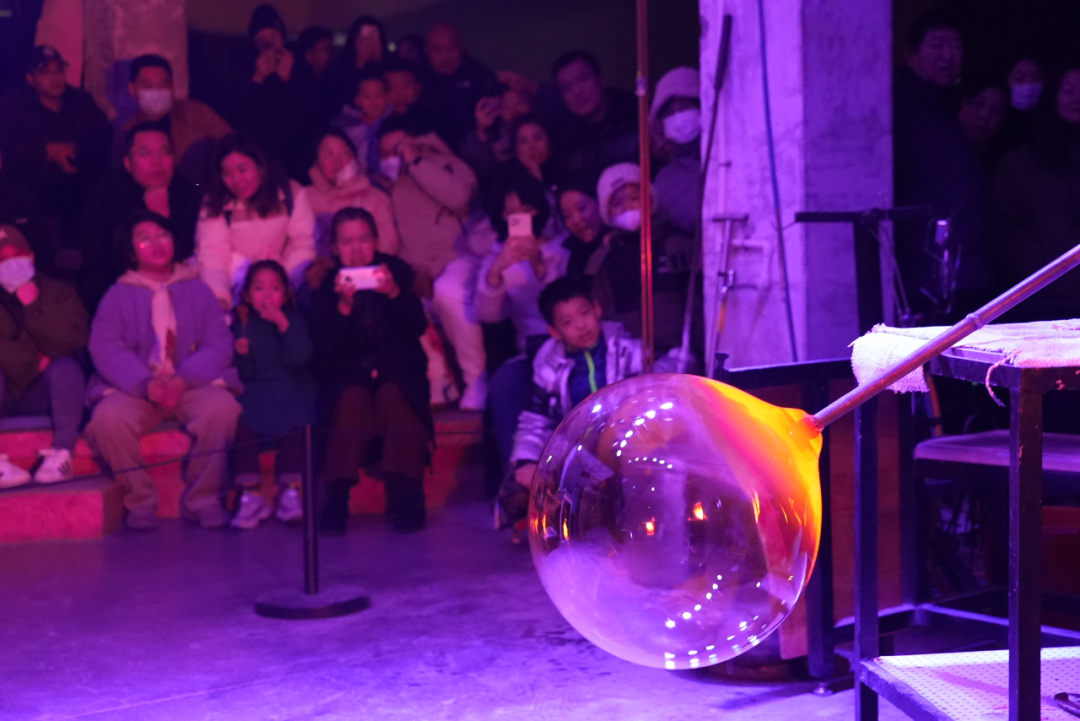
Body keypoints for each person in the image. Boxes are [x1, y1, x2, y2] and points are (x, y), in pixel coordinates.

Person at [85, 211, 241, 530]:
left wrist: (183, 380)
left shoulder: (197, 290)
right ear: (131, 251)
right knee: (108, 419)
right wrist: (145, 384)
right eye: (144, 239)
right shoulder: (117, 295)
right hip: (137, 389)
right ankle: (140, 500)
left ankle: (204, 499)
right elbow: (106, 349)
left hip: (189, 384)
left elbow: (218, 344)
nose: (156, 243)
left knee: (222, 408)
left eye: (162, 235)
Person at [309, 208, 430, 535]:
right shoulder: (325, 284)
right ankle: (336, 498)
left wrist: (393, 294)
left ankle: (408, 494)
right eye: (347, 242)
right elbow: (323, 347)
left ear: (375, 241)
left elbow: (416, 327)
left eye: (363, 239)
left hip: (397, 370)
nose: (356, 249)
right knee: (351, 399)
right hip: (348, 374)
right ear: (335, 247)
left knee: (396, 395)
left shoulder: (397, 273)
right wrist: (343, 308)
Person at [497, 275, 643, 530]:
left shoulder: (628, 350)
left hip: (627, 446)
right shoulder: (549, 367)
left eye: (584, 313)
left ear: (597, 309)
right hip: (577, 452)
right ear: (554, 331)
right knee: (517, 493)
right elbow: (536, 418)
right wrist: (525, 461)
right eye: (567, 322)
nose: (581, 325)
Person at [375, 115, 486, 409]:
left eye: (397, 148)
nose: (392, 157)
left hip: (456, 256)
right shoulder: (384, 185)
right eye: (385, 152)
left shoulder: (446, 164)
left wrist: (416, 162)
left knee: (449, 293)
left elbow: (458, 197)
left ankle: (477, 379)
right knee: (400, 301)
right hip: (417, 268)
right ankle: (441, 381)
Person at [893, 12, 988, 322]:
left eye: (955, 45)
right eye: (937, 45)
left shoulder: (949, 107)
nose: (948, 55)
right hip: (924, 275)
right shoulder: (898, 107)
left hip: (962, 271)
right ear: (911, 54)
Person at [477, 166, 569, 474]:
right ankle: (516, 481)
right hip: (531, 348)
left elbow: (566, 301)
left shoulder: (561, 248)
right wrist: (497, 269)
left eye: (526, 210)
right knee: (506, 382)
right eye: (510, 213)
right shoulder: (497, 257)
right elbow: (488, 314)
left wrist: (540, 265)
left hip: (569, 345)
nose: (519, 218)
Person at [229, 260, 318, 529]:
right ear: (247, 295)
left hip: (293, 386)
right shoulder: (243, 322)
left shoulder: (295, 318)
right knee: (242, 421)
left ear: (286, 293)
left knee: (297, 419)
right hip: (258, 390)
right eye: (259, 288)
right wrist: (242, 355)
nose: (267, 295)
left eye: (275, 288)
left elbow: (300, 358)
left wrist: (281, 322)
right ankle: (250, 494)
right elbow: (246, 373)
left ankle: (290, 491)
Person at [80, 122, 201, 314]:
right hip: (117, 285)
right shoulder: (104, 192)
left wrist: (163, 218)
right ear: (128, 163)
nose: (157, 162)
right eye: (145, 154)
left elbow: (189, 256)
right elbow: (98, 256)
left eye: (165, 153)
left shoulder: (189, 194)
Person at [0, 225, 87, 487]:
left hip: (42, 393)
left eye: (16, 254)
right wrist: (35, 360)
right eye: (1, 258)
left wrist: (33, 305)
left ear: (31, 256)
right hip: (5, 389)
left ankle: (62, 455)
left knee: (66, 368)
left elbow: (72, 340)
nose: (10, 263)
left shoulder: (57, 292)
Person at [992, 67, 1080, 321]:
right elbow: (1007, 229)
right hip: (1044, 300)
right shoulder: (1024, 160)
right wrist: (1048, 276)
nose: (1077, 99)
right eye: (1068, 91)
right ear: (1052, 95)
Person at [0, 46, 111, 236]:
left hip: (77, 184)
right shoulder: (13, 104)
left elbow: (103, 135)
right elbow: (8, 144)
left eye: (58, 70)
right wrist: (47, 150)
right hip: (32, 188)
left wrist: (74, 150)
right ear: (30, 78)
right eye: (46, 73)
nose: (55, 78)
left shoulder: (80, 100)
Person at [196, 133, 315, 308]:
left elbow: (304, 243)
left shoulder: (291, 194)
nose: (237, 180)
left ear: (260, 166)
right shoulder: (215, 203)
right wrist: (220, 297)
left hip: (286, 283)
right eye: (227, 173)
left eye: (242, 170)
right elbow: (212, 255)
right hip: (237, 288)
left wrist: (276, 283)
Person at [591, 162, 693, 356]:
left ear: (650, 199)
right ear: (607, 213)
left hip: (678, 351)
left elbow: (696, 298)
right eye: (617, 204)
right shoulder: (606, 255)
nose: (627, 207)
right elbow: (603, 307)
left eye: (634, 198)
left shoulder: (677, 242)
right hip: (631, 354)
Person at [113, 54, 231, 187]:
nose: (156, 91)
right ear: (133, 90)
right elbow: (119, 183)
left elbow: (233, 145)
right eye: (148, 86)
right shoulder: (125, 134)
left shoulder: (197, 113)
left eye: (163, 85)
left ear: (172, 86)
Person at [236, 4, 322, 181]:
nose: (269, 44)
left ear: (282, 37)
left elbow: (313, 112)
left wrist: (288, 79)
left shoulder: (300, 65)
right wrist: (258, 78)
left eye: (273, 37)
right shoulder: (245, 68)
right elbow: (240, 116)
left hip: (298, 155)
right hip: (260, 155)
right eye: (262, 39)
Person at [305, 128, 398, 262]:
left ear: (355, 158)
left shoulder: (376, 197)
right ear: (316, 162)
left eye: (345, 152)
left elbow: (388, 245)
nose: (337, 160)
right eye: (328, 154)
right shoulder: (305, 198)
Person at [550, 51, 638, 180]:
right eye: (567, 88)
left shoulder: (636, 113)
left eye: (582, 79)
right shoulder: (565, 140)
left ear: (602, 79)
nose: (577, 92)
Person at [421, 23, 496, 151]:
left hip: (479, 149)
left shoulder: (480, 76)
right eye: (437, 51)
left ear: (461, 47)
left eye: (451, 49)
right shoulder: (418, 83)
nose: (445, 57)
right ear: (427, 51)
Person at [649, 67, 702, 236]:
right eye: (669, 112)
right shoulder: (666, 181)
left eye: (686, 106)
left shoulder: (729, 153)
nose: (678, 117)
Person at [459, 81, 534, 182]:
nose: (514, 110)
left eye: (519, 103)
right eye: (507, 107)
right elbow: (480, 170)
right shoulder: (494, 139)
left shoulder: (544, 127)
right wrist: (482, 131)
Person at [333, 68, 391, 177]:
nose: (374, 102)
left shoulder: (394, 122)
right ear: (357, 100)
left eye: (378, 96)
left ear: (387, 97)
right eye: (367, 96)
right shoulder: (348, 125)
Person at [956, 76, 1008, 174]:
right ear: (962, 103)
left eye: (996, 110)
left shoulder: (1004, 166)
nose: (985, 116)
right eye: (978, 104)